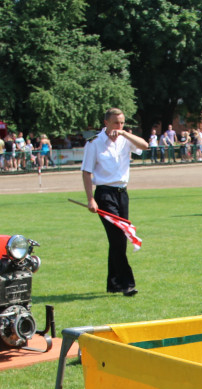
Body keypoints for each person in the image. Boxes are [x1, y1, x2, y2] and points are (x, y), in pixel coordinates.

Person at [81, 107, 148, 296]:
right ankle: (127, 284)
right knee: (119, 236)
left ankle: (113, 284)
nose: (119, 126)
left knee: (117, 240)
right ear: (106, 123)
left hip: (122, 194)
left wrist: (125, 133)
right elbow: (87, 172)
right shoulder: (94, 143)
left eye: (122, 122)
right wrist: (90, 199)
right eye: (116, 123)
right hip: (104, 194)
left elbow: (144, 146)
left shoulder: (126, 139)